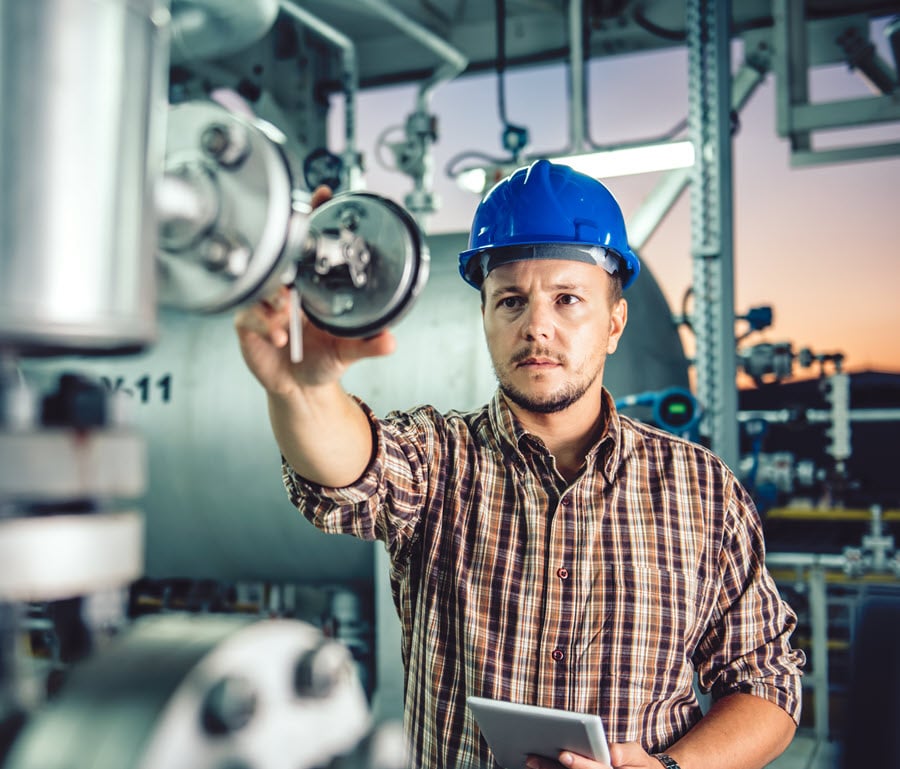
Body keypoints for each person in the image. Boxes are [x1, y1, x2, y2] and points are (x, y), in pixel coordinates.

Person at [235, 159, 805, 769]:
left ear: (614, 322)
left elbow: (766, 682)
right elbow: (350, 473)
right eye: (510, 301)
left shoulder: (701, 490)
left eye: (567, 300)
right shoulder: (439, 462)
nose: (537, 327)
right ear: (485, 318)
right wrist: (305, 389)